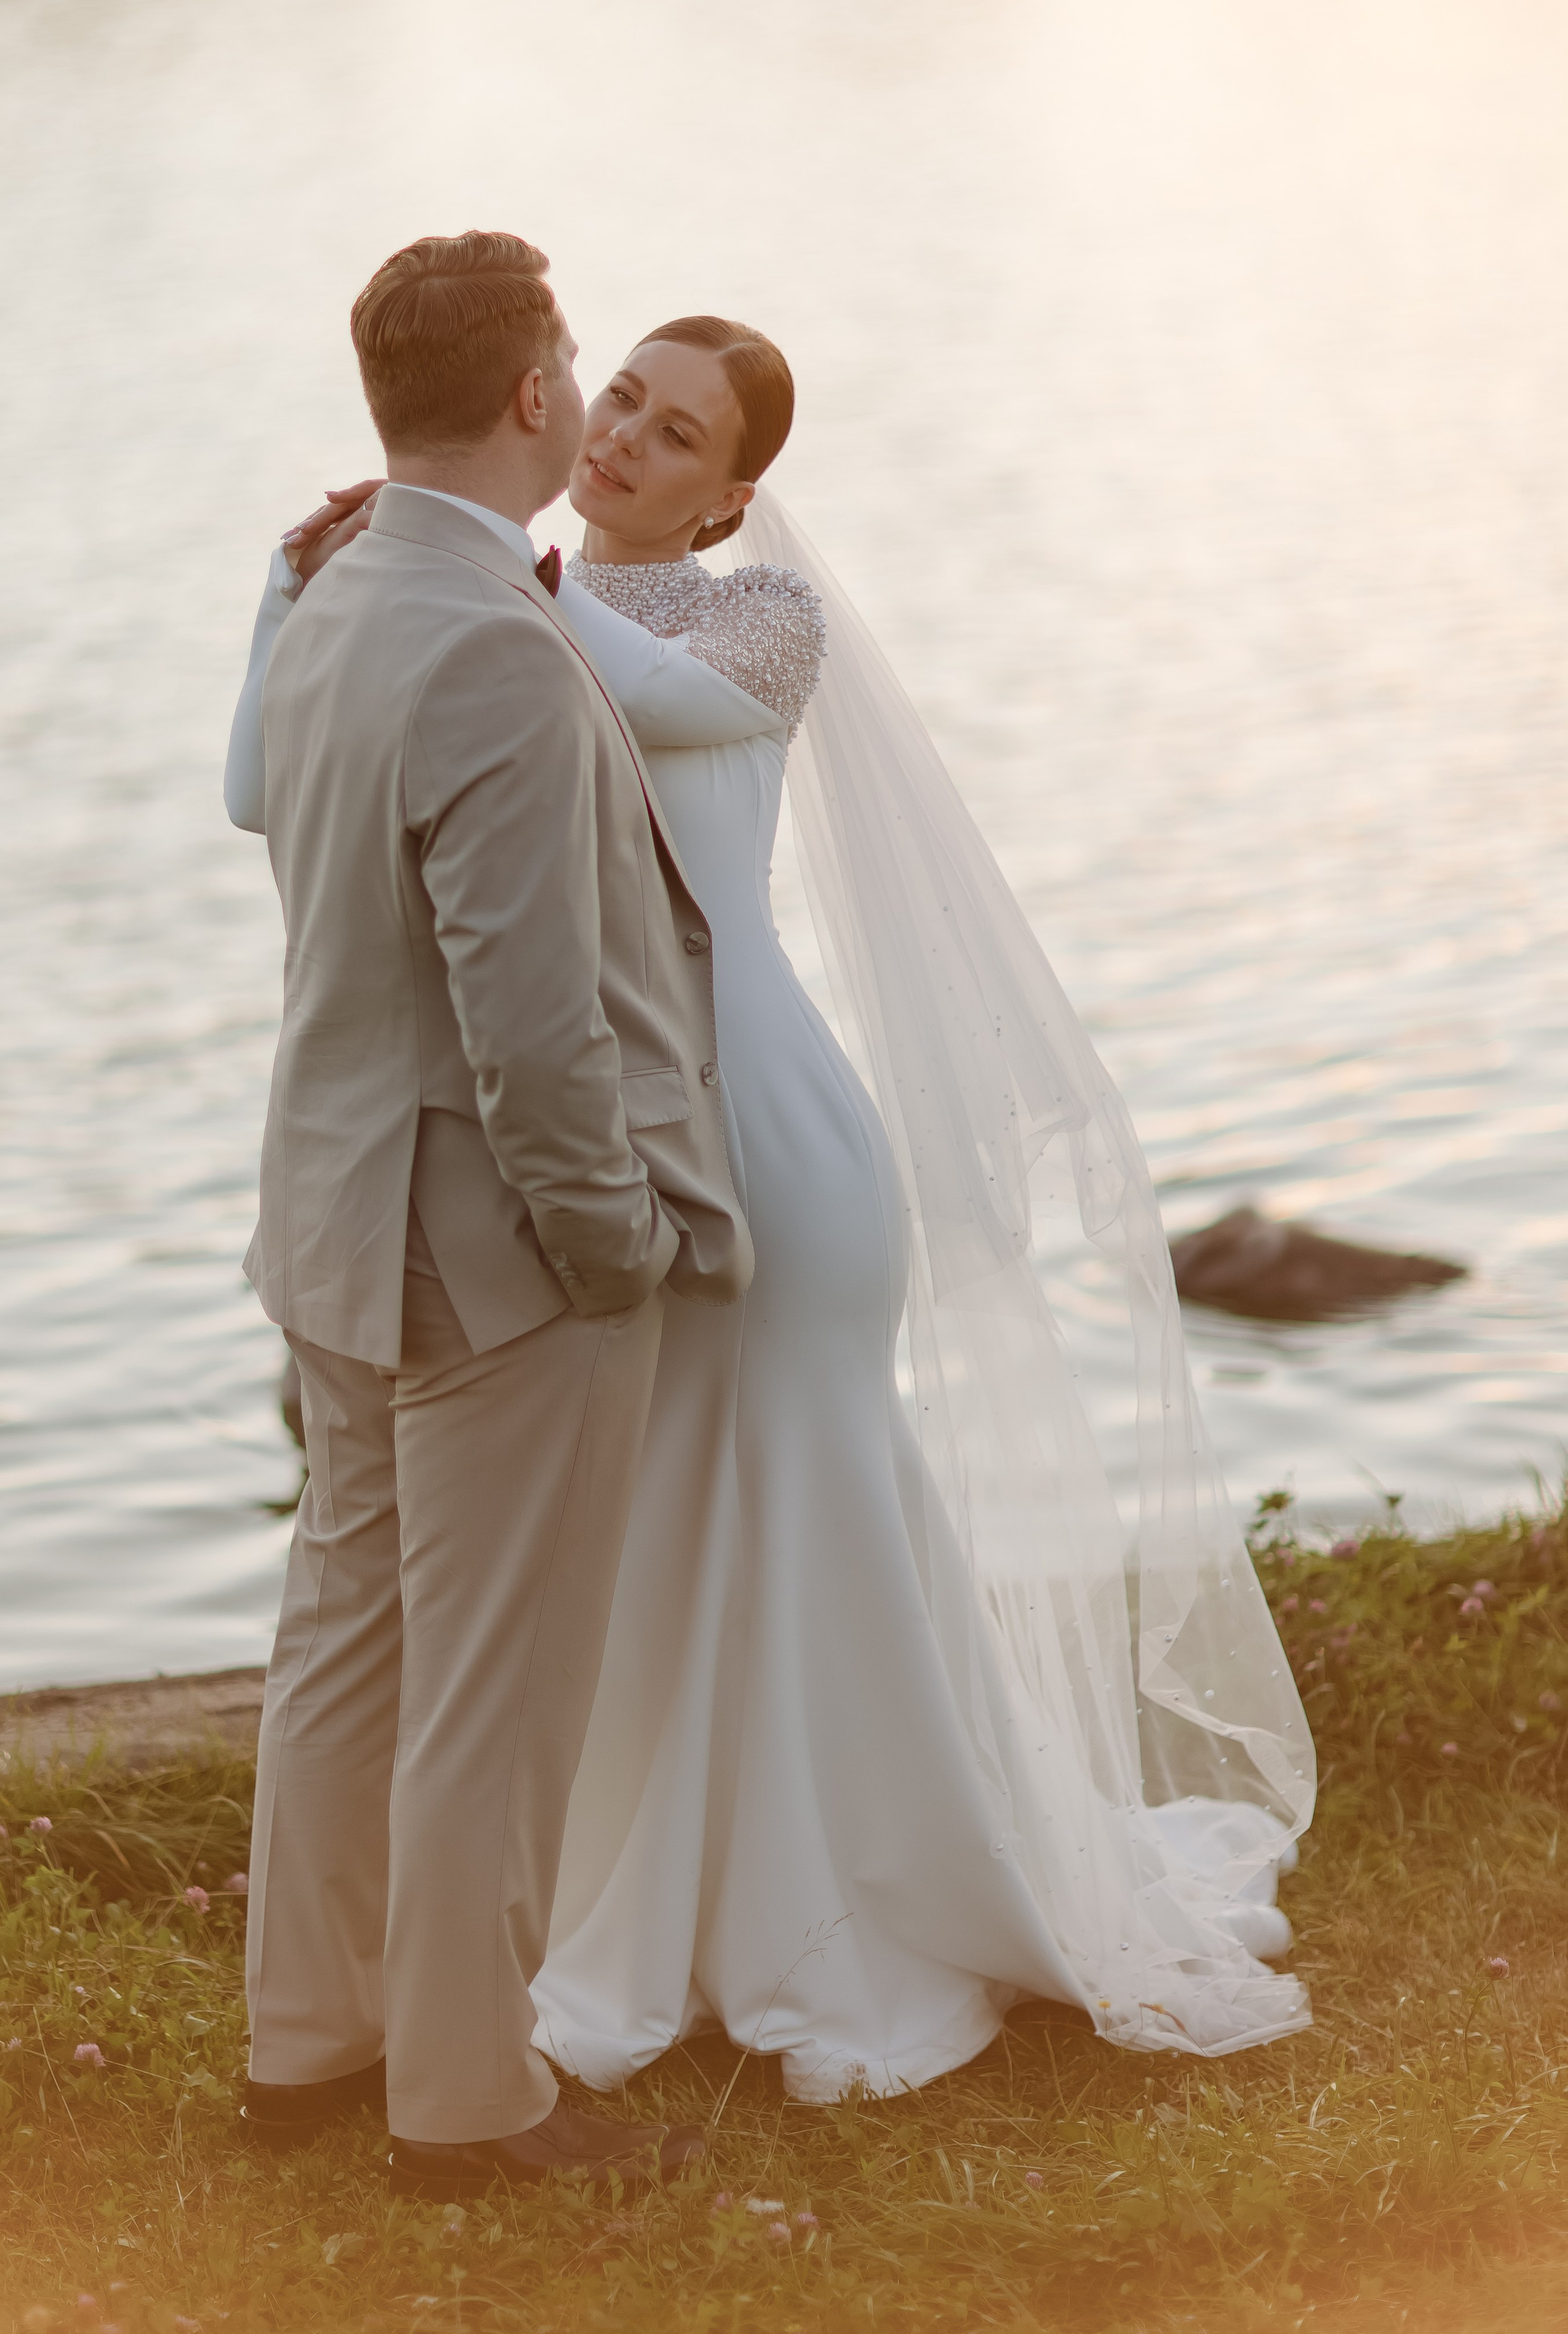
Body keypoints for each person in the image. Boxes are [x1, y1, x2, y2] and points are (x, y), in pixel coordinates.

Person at [230, 307, 1315, 2106]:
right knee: (650, 1528)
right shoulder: (508, 600)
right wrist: (322, 589)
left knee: (800, 1499)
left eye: (676, 435)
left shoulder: (750, 628)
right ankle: (656, 1897)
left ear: (734, 498)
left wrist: (438, 544)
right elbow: (311, 768)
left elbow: (604, 677)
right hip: (610, 1131)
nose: (631, 439)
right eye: (626, 399)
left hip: (768, 1147)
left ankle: (857, 1885)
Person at [231, 231, 752, 2195]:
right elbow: (536, 1035)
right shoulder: (496, 652)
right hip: (491, 1253)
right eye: (577, 362)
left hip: (331, 1215)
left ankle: (308, 2053)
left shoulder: (339, 593)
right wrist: (615, 1250)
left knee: (347, 1639)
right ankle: (468, 2103)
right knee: (489, 1692)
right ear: (537, 394)